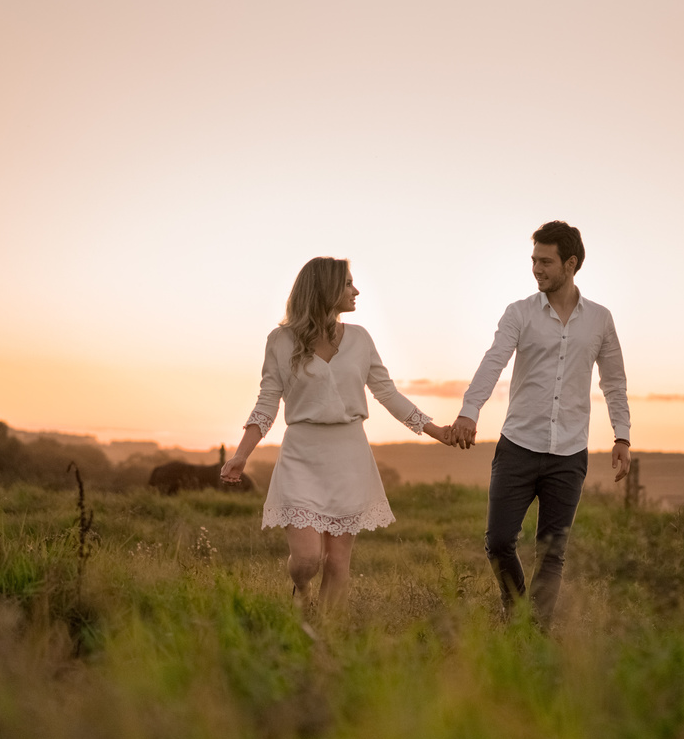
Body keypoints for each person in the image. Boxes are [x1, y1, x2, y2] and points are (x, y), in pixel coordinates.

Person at [221, 257, 452, 610]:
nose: (355, 290)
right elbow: (267, 402)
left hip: (349, 455)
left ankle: (325, 637)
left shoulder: (360, 338)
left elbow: (387, 393)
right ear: (325, 289)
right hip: (302, 455)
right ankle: (301, 589)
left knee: (338, 562)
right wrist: (241, 455)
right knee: (307, 560)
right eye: (347, 283)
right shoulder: (280, 341)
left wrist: (437, 431)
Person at [448, 221, 631, 629]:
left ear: (571, 263)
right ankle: (515, 610)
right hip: (518, 446)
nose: (536, 268)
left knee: (552, 552)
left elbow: (614, 382)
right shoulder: (519, 313)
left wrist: (622, 435)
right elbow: (493, 361)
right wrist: (469, 410)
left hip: (569, 453)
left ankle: (533, 634)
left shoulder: (600, 320)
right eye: (533, 260)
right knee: (498, 543)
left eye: (545, 261)